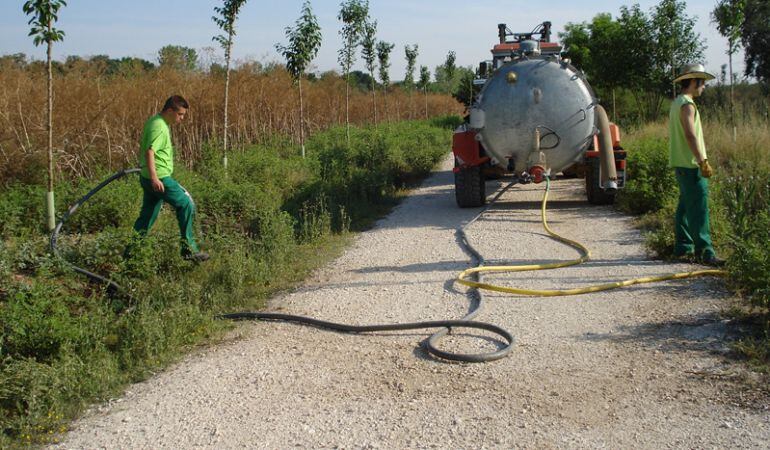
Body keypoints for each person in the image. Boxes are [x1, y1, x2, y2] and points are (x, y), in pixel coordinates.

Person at [132, 95, 209, 262]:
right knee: (186, 203)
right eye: (180, 114)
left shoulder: (155, 121)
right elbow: (150, 152)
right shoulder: (160, 126)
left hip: (148, 177)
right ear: (169, 110)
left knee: (146, 217)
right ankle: (188, 249)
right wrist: (155, 178)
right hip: (159, 178)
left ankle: (132, 254)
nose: (181, 119)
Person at [668, 63, 723, 267]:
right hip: (691, 165)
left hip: (681, 164)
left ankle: (683, 247)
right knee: (699, 209)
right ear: (693, 82)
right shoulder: (687, 105)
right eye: (702, 83)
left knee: (684, 207)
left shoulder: (677, 103)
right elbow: (691, 134)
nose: (704, 87)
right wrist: (702, 161)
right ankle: (705, 252)